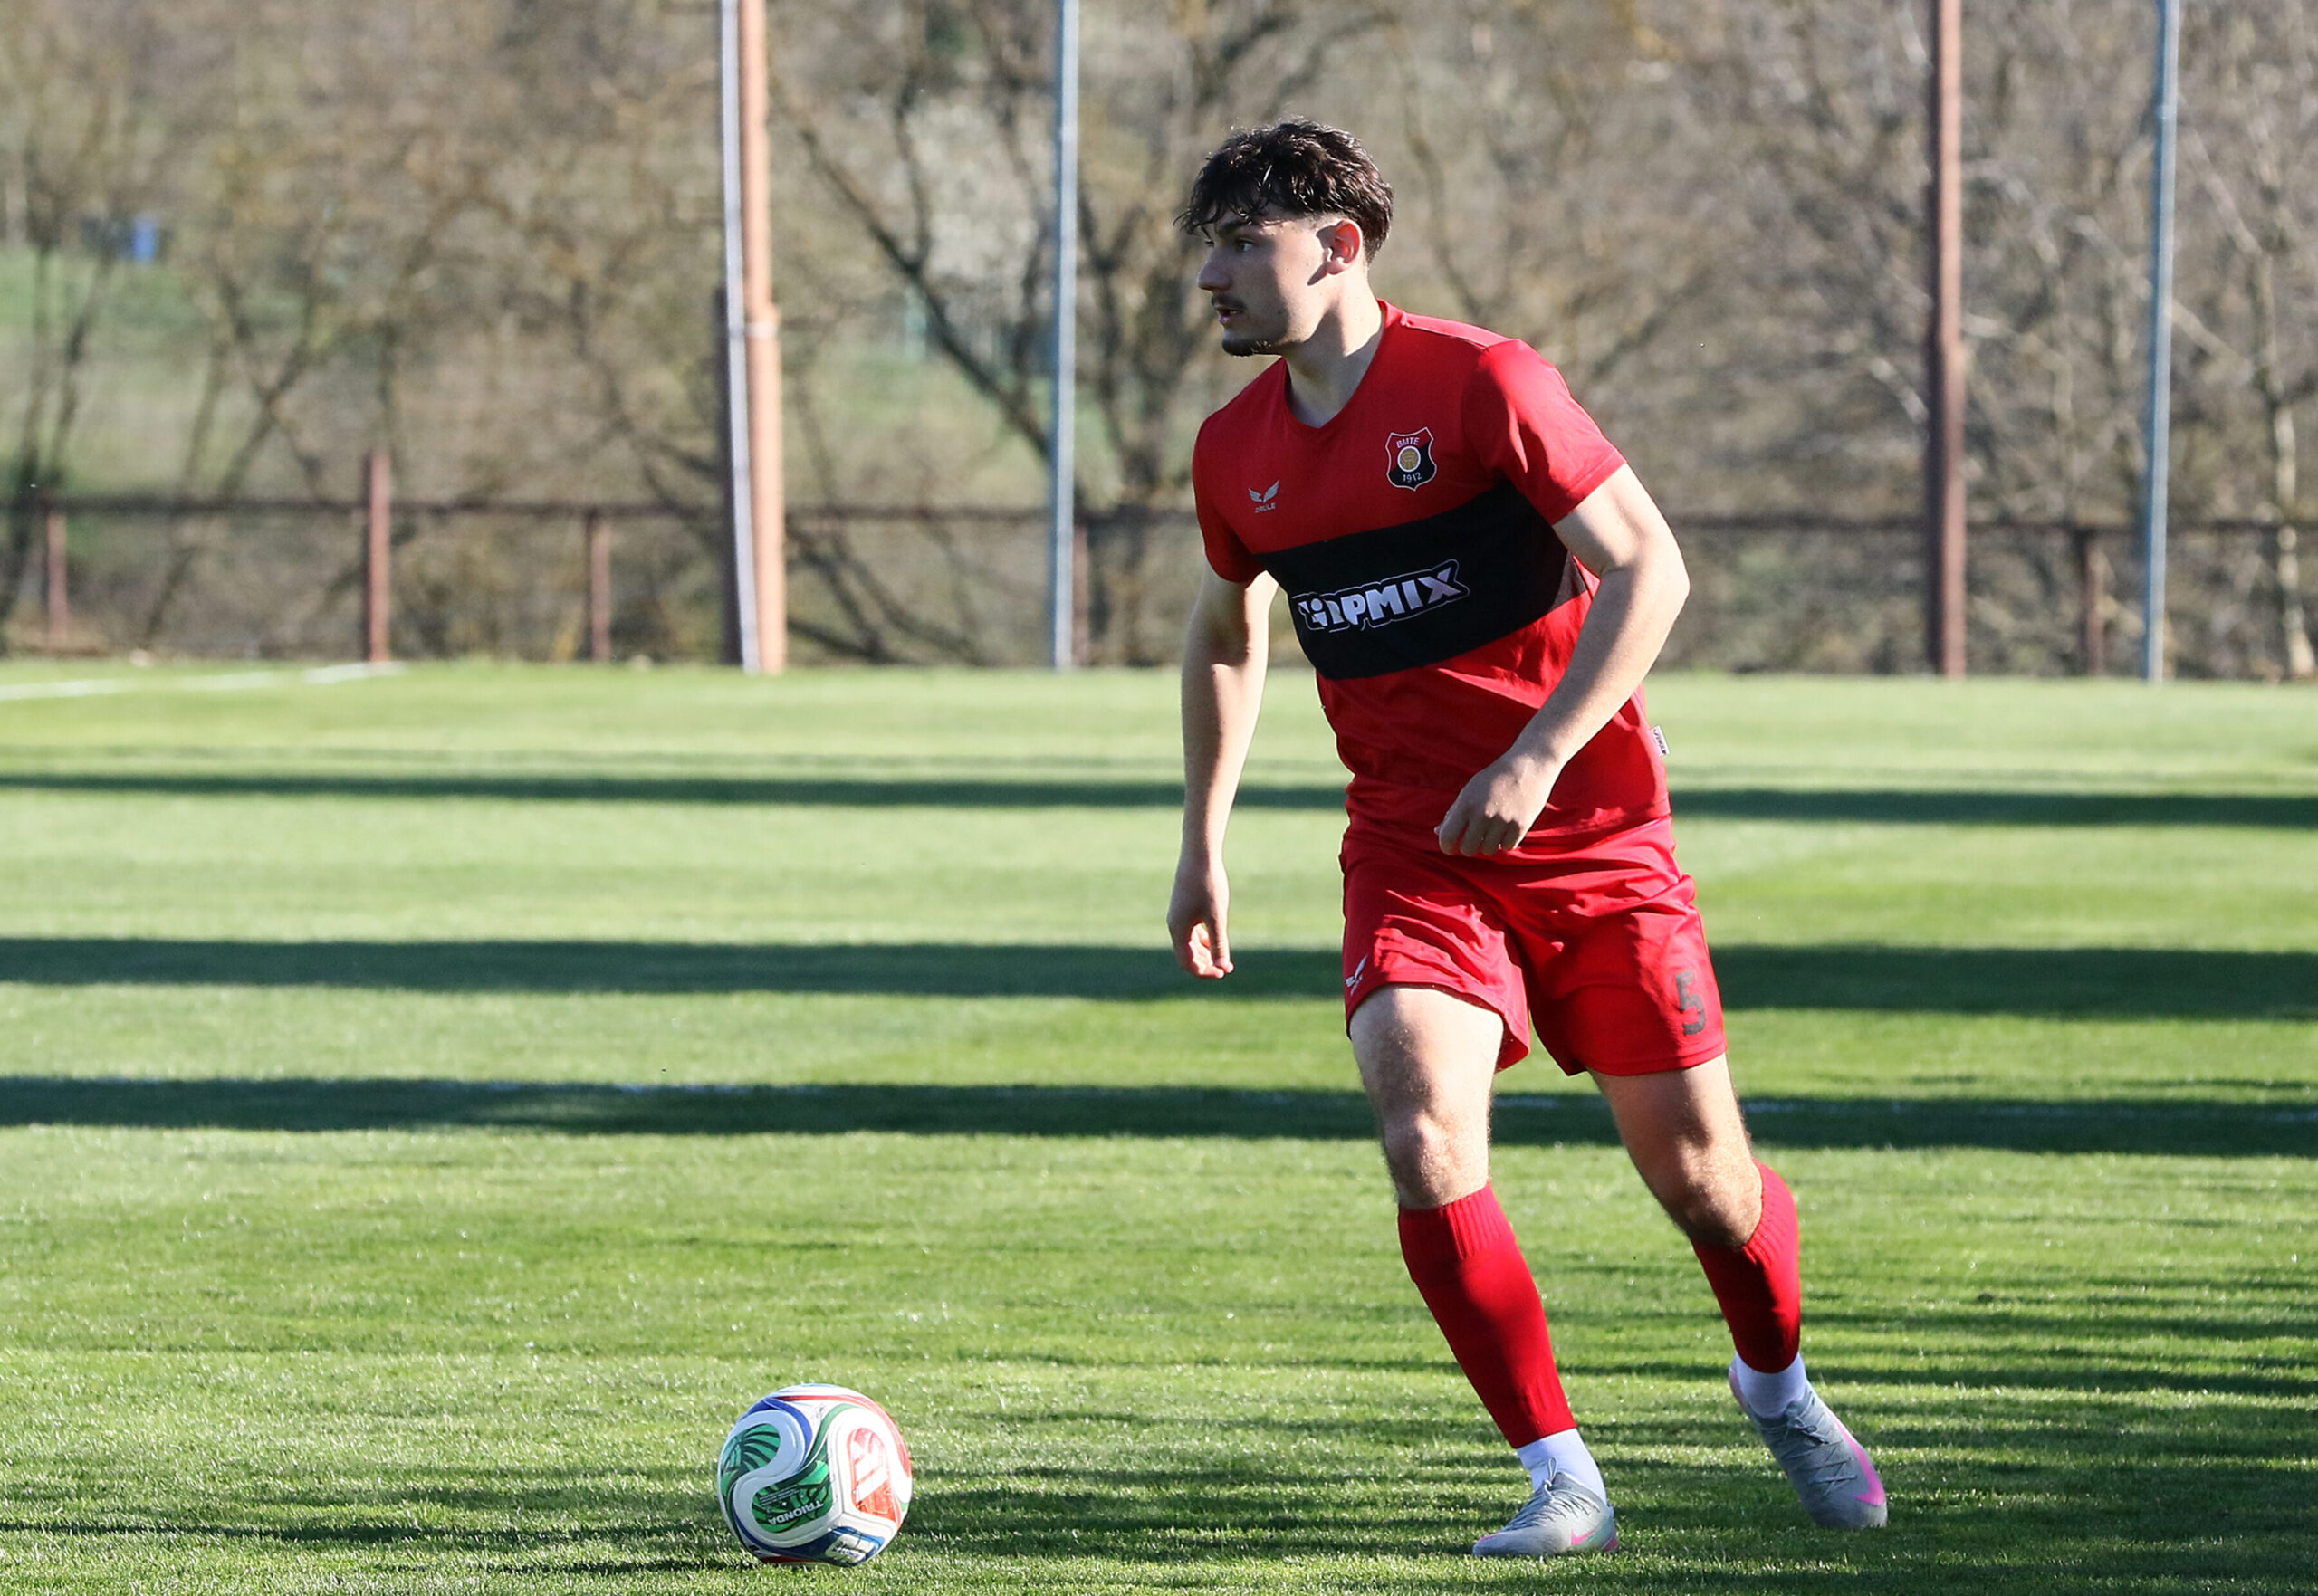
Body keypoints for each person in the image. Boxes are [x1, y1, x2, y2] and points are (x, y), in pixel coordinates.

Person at [1166, 119, 1886, 1558]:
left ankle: (1780, 1389)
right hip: (1413, 849)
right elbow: (1231, 629)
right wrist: (1203, 837)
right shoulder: (1232, 452)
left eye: (1244, 243)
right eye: (1212, 248)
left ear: (1338, 248)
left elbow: (1650, 565)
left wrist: (1539, 755)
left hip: (1598, 839)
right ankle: (1564, 1480)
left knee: (1705, 1185)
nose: (1213, 277)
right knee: (1422, 1127)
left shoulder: (1484, 382)